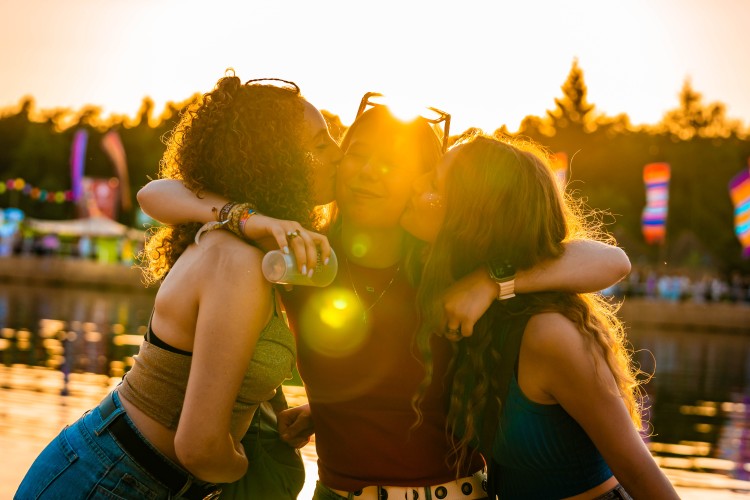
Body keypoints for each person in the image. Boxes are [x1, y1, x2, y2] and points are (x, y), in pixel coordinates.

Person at [137, 95, 632, 500]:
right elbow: (158, 195)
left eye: (392, 163)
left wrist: (492, 282)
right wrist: (249, 219)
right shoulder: (303, 253)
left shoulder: (450, 265)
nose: (369, 173)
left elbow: (609, 262)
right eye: (359, 154)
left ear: (422, 182)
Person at [15, 73, 341, 499]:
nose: (339, 153)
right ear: (278, 160)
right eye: (320, 144)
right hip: (109, 481)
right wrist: (246, 465)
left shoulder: (251, 247)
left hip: (128, 476)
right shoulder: (235, 260)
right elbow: (200, 447)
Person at [403, 132, 680, 499]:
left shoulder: (546, 333)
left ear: (470, 218)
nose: (416, 184)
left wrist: (491, 280)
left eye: (434, 182)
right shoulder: (469, 309)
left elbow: (641, 474)